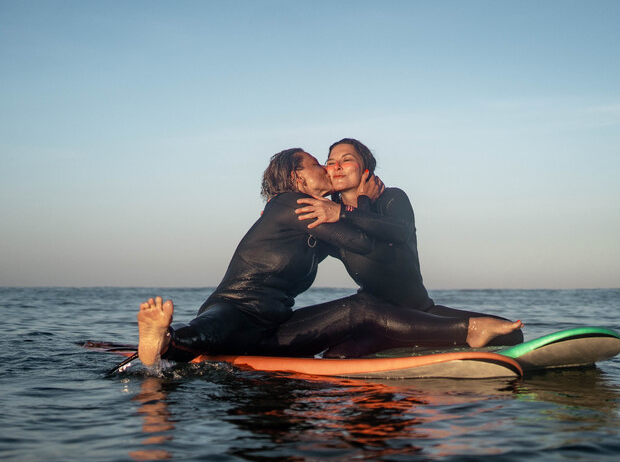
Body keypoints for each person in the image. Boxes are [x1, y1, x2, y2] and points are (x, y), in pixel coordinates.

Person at [137, 149, 522, 367]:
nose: (326, 167)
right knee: (204, 333)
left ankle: (468, 331)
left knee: (361, 308)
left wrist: (360, 205)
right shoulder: (293, 204)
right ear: (297, 179)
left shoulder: (317, 218)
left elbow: (373, 248)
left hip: (276, 331)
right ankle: (163, 341)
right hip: (236, 309)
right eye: (316, 164)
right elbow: (362, 245)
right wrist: (365, 202)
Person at [295, 138, 523, 354]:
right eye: (331, 162)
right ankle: (412, 342)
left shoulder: (392, 198)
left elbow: (400, 231)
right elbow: (303, 255)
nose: (337, 167)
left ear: (366, 169)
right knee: (339, 355)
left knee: (510, 334)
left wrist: (343, 212)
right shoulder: (329, 216)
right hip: (375, 317)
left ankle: (417, 340)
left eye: (346, 159)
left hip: (420, 311)